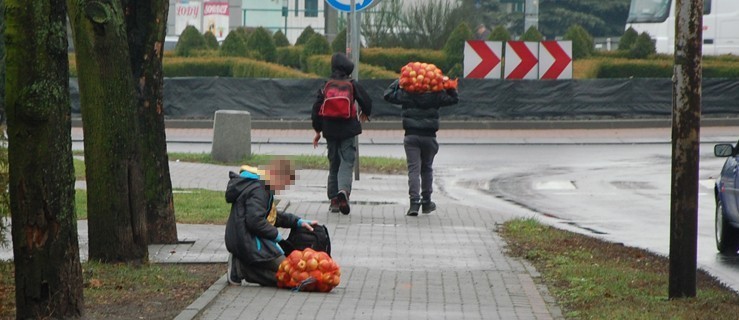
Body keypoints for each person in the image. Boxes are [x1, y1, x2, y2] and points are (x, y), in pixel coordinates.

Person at [224, 158, 319, 286]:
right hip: (248, 241)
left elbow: (270, 215)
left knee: (288, 273)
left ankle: (243, 266)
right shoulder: (260, 189)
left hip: (246, 239)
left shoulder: (262, 186)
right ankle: (240, 268)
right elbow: (255, 221)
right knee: (288, 272)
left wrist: (297, 222)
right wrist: (276, 236)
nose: (284, 187)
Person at [383, 79, 459, 216]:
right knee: (427, 168)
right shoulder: (436, 95)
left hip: (411, 135)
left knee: (413, 169)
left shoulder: (407, 93)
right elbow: (454, 99)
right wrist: (447, 85)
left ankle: (414, 203)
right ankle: (426, 201)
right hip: (430, 137)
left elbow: (388, 95)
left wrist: (398, 82)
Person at [311, 52, 372, 215]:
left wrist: (318, 130)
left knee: (334, 163)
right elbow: (367, 100)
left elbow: (316, 109)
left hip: (329, 130)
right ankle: (343, 192)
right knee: (347, 160)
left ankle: (334, 201)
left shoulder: (326, 85)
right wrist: (365, 112)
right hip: (348, 129)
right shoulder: (351, 84)